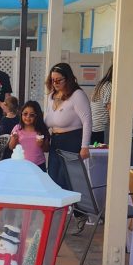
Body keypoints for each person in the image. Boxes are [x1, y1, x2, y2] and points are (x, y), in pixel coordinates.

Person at [44, 61, 92, 190]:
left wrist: (84, 146)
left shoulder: (77, 95)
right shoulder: (51, 96)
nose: (55, 83)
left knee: (66, 179)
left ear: (68, 79)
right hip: (55, 140)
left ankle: (70, 208)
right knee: (53, 177)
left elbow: (87, 121)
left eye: (59, 80)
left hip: (71, 140)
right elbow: (48, 118)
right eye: (53, 80)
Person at [7, 100, 49, 169]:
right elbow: (11, 147)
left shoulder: (41, 129)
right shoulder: (17, 128)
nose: (27, 117)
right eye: (25, 114)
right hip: (20, 165)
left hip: (38, 165)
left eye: (32, 115)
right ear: (21, 114)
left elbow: (46, 149)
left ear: (37, 116)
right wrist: (14, 140)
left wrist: (42, 145)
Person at [90, 64, 112, 144]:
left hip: (94, 126)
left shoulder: (100, 84)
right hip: (101, 128)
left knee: (95, 153)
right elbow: (109, 108)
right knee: (102, 154)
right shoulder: (109, 86)